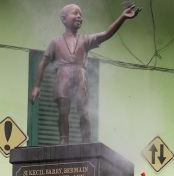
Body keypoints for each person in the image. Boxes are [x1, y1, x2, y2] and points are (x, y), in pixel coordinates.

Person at [29, 3, 140, 144]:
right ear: (63, 19)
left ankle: (86, 141)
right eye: (75, 13)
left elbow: (106, 34)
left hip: (81, 76)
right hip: (62, 76)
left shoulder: (85, 40)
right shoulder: (55, 42)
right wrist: (36, 86)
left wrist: (122, 17)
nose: (79, 16)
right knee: (63, 112)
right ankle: (64, 140)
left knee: (84, 112)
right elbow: (42, 64)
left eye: (81, 14)